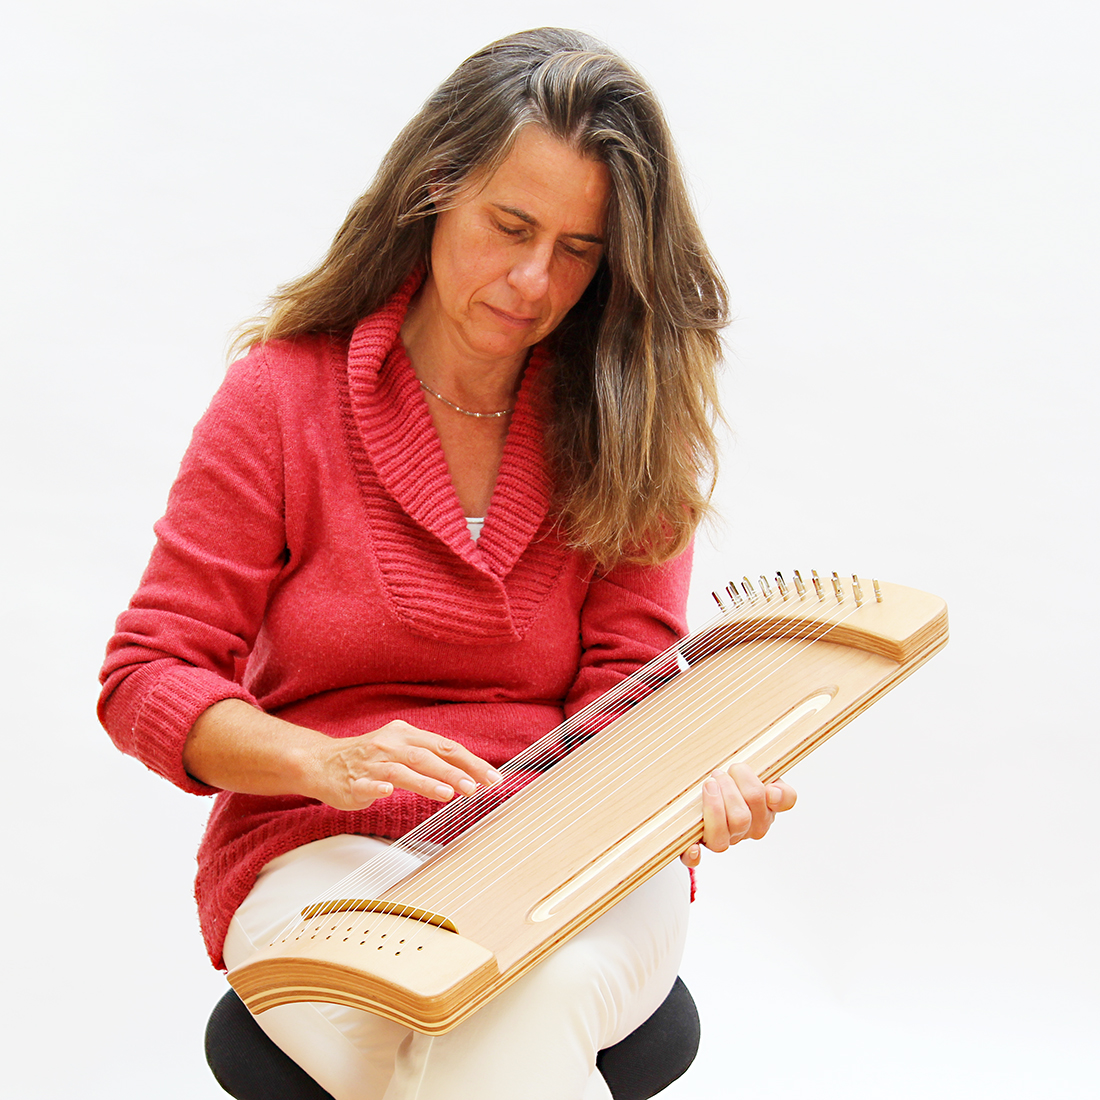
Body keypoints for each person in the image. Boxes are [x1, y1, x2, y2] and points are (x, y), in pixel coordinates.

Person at [99, 27, 795, 1100]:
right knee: (473, 1022)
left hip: (573, 847)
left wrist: (677, 781)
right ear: (434, 188)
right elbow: (148, 673)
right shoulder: (281, 399)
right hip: (326, 851)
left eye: (579, 250)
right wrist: (318, 759)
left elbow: (628, 690)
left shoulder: (628, 426)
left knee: (518, 1000)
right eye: (509, 226)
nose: (533, 280)